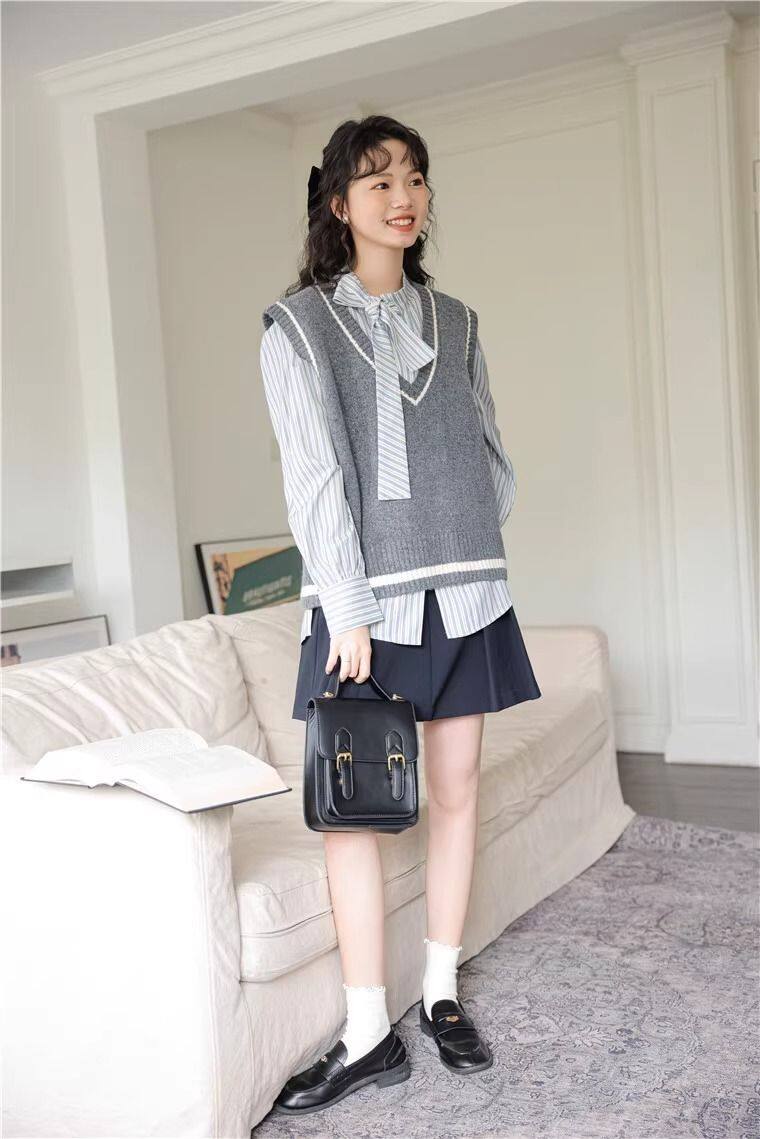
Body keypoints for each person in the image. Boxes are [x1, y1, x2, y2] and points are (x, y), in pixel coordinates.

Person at [259, 114, 542, 1115]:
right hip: (362, 611)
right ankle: (366, 1029)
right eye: (378, 181)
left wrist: (460, 525)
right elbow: (313, 479)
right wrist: (347, 604)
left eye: (414, 178)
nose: (403, 196)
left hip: (467, 591)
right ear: (339, 203)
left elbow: (490, 453)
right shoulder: (297, 326)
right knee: (355, 817)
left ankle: (440, 991)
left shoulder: (456, 321)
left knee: (456, 791)